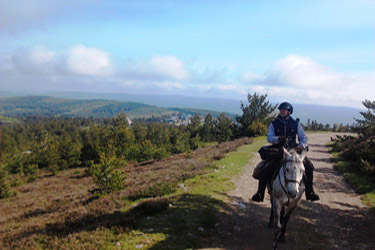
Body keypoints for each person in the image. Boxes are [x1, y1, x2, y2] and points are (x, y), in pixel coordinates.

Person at [251, 102, 320, 202]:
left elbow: (303, 138)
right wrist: (278, 139)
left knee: (309, 166)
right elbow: (269, 138)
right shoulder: (274, 123)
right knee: (266, 167)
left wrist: (301, 146)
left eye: (284, 110)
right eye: (281, 109)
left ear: (289, 112)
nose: (282, 111)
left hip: (294, 151)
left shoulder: (296, 124)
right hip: (278, 151)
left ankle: (310, 192)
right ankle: (259, 193)